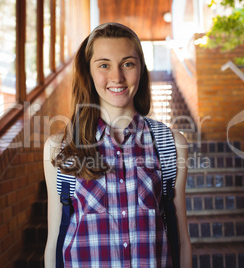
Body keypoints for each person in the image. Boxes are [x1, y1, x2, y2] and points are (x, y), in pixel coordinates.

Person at [43, 22, 191, 267]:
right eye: (104, 65)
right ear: (88, 72)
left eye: (128, 64)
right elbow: (54, 242)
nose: (117, 77)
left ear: (141, 69)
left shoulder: (171, 145)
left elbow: (182, 239)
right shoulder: (59, 148)